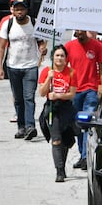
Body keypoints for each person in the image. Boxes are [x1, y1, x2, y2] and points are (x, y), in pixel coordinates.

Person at [0, 0, 46, 140]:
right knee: (18, 99)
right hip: (13, 67)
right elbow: (1, 47)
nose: (19, 12)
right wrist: (0, 67)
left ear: (26, 10)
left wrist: (43, 49)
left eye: (22, 9)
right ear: (13, 10)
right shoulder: (8, 24)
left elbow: (41, 43)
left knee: (28, 97)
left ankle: (30, 126)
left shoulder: (34, 23)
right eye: (17, 9)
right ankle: (21, 127)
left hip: (30, 66)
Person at [65, 30, 102, 170]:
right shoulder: (69, 46)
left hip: (90, 90)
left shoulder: (97, 46)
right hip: (74, 90)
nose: (79, 33)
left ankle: (86, 156)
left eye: (81, 30)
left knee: (87, 123)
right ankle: (82, 154)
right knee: (78, 124)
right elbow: (62, 67)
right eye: (76, 30)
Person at [38, 45, 77, 182]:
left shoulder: (71, 72)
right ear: (52, 57)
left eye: (62, 56)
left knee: (66, 140)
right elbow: (42, 93)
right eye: (57, 55)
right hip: (52, 109)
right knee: (56, 140)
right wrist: (49, 79)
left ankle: (62, 165)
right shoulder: (46, 71)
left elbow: (72, 94)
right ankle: (59, 170)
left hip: (66, 109)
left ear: (66, 58)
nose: (59, 58)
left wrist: (60, 95)